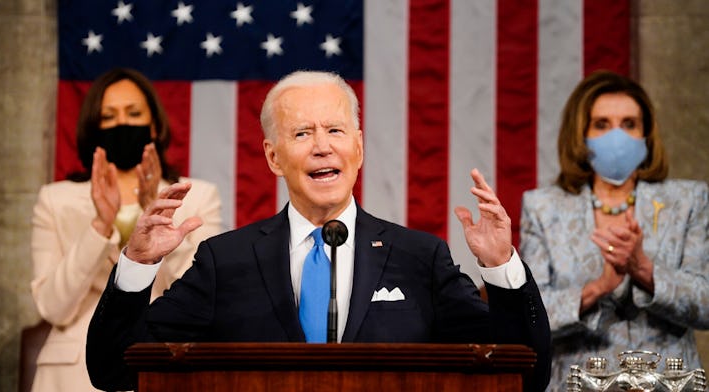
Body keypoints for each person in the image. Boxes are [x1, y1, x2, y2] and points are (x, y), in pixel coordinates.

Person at [86, 70, 552, 391]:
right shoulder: (225, 261)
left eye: (335, 130)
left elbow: (524, 373)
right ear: (273, 157)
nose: (322, 147)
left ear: (359, 147)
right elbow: (113, 368)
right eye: (302, 133)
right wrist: (138, 265)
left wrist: (501, 267)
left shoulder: (420, 258)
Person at [30, 67, 223, 392]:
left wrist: (159, 213)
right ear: (95, 126)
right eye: (109, 116)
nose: (123, 123)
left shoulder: (198, 196)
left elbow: (206, 297)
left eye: (134, 113)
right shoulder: (55, 199)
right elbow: (53, 307)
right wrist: (99, 226)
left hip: (165, 364)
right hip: (72, 375)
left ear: (154, 124)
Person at [520, 70, 709, 390]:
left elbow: (705, 305)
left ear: (647, 135)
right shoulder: (543, 207)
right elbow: (530, 321)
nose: (616, 137)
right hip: (577, 383)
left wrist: (645, 270)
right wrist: (597, 288)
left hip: (668, 383)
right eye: (602, 124)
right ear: (580, 134)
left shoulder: (687, 201)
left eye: (629, 124)